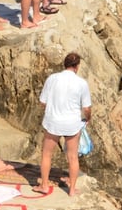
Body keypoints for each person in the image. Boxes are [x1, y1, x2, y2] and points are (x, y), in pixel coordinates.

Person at [36, 51, 92, 197]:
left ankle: (44, 186)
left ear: (65, 64)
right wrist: (88, 118)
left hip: (53, 122)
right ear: (77, 66)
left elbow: (43, 102)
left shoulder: (52, 79)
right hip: (72, 124)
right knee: (73, 157)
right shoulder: (81, 83)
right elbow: (86, 108)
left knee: (47, 155)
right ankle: (72, 190)